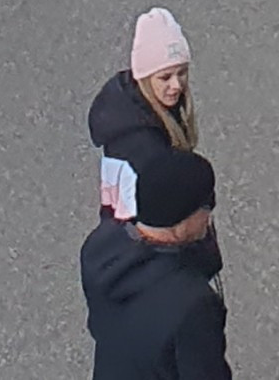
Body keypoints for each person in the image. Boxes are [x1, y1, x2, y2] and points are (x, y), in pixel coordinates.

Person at [89, 10, 222, 288]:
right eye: (165, 77)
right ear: (144, 77)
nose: (177, 85)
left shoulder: (129, 114)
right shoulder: (146, 152)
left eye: (182, 73)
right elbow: (156, 227)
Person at [81, 145, 230, 380]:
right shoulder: (193, 304)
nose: (209, 216)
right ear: (180, 223)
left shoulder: (99, 247)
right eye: (206, 206)